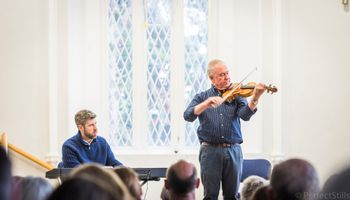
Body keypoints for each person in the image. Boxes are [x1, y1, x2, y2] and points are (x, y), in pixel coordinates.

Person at [183, 59, 267, 200]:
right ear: (212, 78)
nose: (227, 77)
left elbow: (245, 115)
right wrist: (207, 104)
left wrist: (255, 97)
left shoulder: (237, 94)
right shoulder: (202, 97)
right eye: (221, 75)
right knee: (210, 196)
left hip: (233, 150)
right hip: (210, 151)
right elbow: (188, 115)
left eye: (227, 73)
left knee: (232, 196)